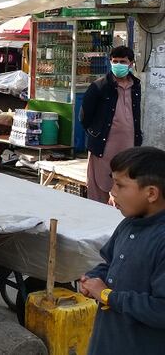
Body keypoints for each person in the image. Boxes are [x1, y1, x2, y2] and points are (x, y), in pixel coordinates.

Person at [79, 147, 165, 355]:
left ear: (151, 193)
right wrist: (92, 278)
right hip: (107, 341)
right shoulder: (128, 224)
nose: (112, 191)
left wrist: (108, 296)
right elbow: (110, 264)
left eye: (120, 185)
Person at [80, 46, 142, 204]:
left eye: (123, 62)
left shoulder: (136, 86)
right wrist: (96, 133)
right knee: (99, 188)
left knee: (125, 185)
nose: (118, 65)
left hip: (128, 146)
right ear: (110, 62)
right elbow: (84, 116)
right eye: (115, 61)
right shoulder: (99, 86)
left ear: (131, 64)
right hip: (103, 147)